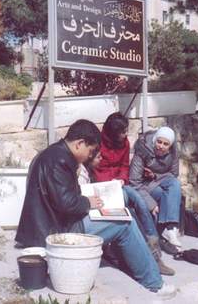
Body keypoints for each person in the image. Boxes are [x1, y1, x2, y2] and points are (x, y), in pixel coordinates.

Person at [15, 119, 175, 298]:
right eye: (90, 151)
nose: (90, 157)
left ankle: (142, 266)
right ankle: (154, 284)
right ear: (79, 144)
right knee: (124, 224)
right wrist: (88, 203)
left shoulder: (55, 154)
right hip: (55, 230)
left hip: (53, 223)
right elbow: (66, 203)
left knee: (123, 211)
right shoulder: (59, 160)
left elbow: (61, 198)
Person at [93, 112, 175, 276]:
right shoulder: (98, 143)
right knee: (130, 211)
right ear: (112, 133)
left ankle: (154, 250)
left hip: (120, 183)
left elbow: (124, 165)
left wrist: (121, 179)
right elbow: (94, 168)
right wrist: (110, 182)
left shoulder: (124, 143)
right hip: (102, 185)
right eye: (122, 132)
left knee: (139, 201)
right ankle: (143, 255)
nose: (125, 134)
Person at [129, 126, 182, 250]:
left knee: (175, 184)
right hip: (145, 184)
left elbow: (174, 174)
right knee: (161, 194)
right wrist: (151, 204)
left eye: (165, 144)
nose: (161, 146)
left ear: (170, 146)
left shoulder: (173, 152)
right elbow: (134, 182)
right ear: (154, 140)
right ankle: (165, 231)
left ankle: (170, 228)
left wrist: (155, 175)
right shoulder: (142, 150)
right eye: (159, 142)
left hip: (160, 179)